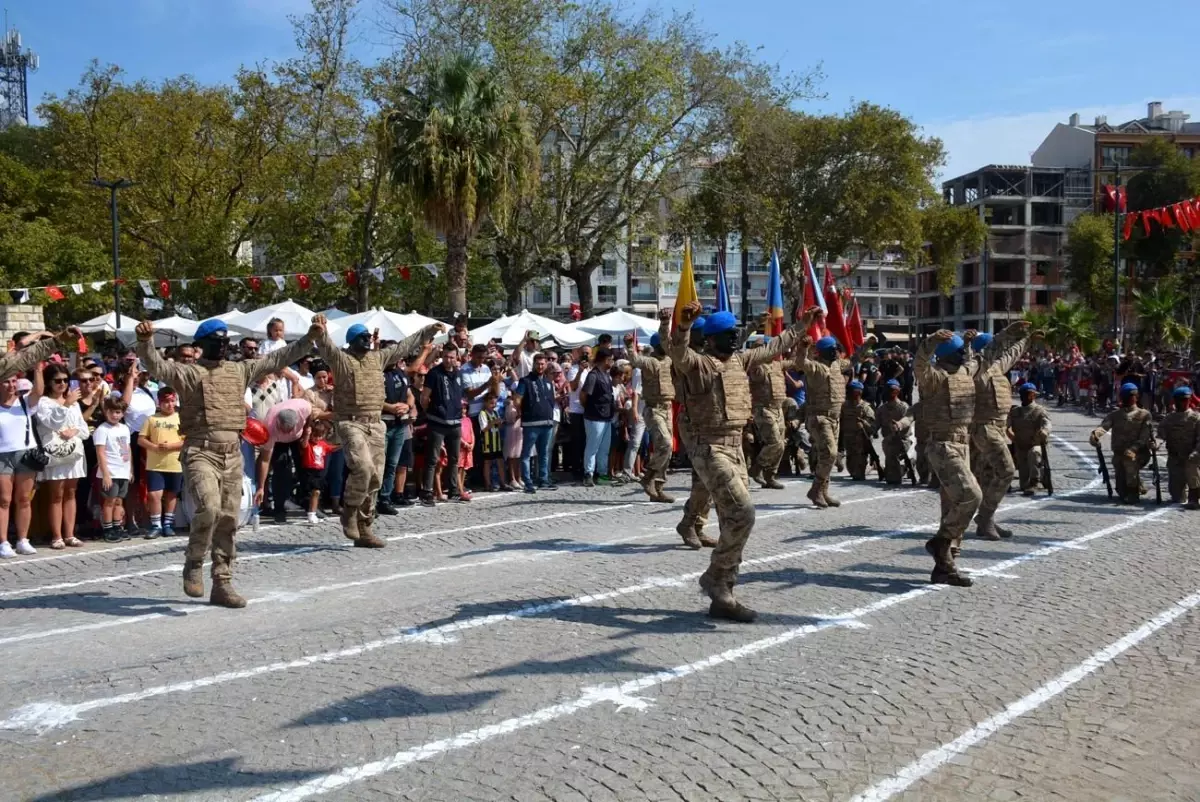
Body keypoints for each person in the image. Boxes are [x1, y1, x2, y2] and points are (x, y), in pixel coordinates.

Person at [136, 317, 320, 607]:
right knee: (208, 508)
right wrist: (146, 342)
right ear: (202, 345)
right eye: (217, 342)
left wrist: (310, 338)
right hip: (200, 451)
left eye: (226, 342)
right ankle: (194, 561)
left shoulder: (239, 370)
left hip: (232, 453)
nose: (223, 346)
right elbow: (158, 366)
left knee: (229, 519)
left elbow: (278, 357)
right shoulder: (188, 373)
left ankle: (222, 581)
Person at [668, 304, 801, 621]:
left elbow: (775, 346)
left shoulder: (741, 360)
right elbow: (678, 352)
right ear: (711, 339)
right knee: (743, 511)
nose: (733, 339)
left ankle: (722, 590)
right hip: (709, 446)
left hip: (736, 446)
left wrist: (802, 325)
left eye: (735, 334)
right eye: (727, 335)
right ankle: (716, 579)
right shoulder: (698, 365)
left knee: (735, 519)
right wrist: (683, 327)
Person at [313, 318, 444, 539]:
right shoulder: (342, 360)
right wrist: (319, 331)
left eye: (368, 336)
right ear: (351, 342)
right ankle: (350, 511)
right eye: (362, 337)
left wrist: (428, 331)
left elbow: (404, 346)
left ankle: (365, 528)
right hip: (351, 422)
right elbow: (326, 347)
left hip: (376, 424)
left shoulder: (378, 358)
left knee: (375, 479)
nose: (367, 340)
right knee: (363, 469)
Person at [915, 330, 980, 588]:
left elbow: (978, 360)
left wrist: (968, 343)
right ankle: (940, 542)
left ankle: (945, 567)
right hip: (943, 445)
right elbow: (919, 364)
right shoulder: (934, 377)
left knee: (952, 507)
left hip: (962, 444)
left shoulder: (963, 373)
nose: (963, 355)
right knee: (972, 496)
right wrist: (930, 342)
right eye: (958, 351)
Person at [793, 319, 875, 508]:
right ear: (823, 352)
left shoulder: (837, 365)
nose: (836, 352)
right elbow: (800, 362)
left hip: (835, 417)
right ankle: (815, 490)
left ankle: (823, 492)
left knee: (827, 455)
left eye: (836, 349)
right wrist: (803, 347)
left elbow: (854, 360)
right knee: (829, 453)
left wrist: (867, 345)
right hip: (819, 417)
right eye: (832, 349)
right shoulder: (815, 367)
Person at [967, 323, 1033, 541]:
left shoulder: (996, 368)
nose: (1001, 353)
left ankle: (987, 521)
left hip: (997, 429)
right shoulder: (976, 371)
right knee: (1006, 470)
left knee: (988, 477)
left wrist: (1027, 339)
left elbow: (1012, 354)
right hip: (984, 428)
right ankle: (984, 517)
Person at [35, 363, 88, 549]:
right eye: (58, 381)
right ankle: (56, 536)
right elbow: (51, 422)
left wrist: (73, 431)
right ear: (49, 382)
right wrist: (66, 404)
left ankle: (70, 534)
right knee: (56, 495)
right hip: (55, 454)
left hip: (73, 453)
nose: (62, 384)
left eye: (66, 380)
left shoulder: (73, 403)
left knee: (71, 493)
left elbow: (84, 429)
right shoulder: (44, 403)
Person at [624, 313, 675, 501]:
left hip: (667, 407)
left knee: (667, 449)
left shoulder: (669, 361)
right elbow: (635, 360)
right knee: (665, 443)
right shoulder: (649, 361)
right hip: (654, 409)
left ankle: (658, 487)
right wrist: (630, 347)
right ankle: (648, 478)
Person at [1089, 383, 1154, 505]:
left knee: (1129, 462)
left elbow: (1145, 436)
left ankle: (1134, 493)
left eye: (1131, 395)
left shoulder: (1144, 414)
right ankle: (1136, 485)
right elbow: (1104, 427)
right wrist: (1095, 434)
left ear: (1136, 396)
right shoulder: (1115, 415)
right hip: (1119, 454)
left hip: (1139, 453)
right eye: (1125, 396)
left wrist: (1134, 448)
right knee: (1121, 490)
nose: (1127, 398)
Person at [252, 397, 313, 523]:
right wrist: (261, 488)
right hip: (279, 442)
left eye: (289, 430)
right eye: (284, 430)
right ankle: (279, 509)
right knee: (281, 469)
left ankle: (310, 505)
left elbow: (311, 414)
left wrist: (307, 430)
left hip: (298, 438)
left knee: (306, 468)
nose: (286, 432)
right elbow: (265, 461)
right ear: (278, 423)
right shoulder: (269, 427)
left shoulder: (304, 408)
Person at [747, 335, 790, 490]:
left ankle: (770, 476)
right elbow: (753, 360)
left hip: (778, 409)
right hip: (763, 409)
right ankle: (757, 468)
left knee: (781, 445)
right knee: (775, 443)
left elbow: (796, 362)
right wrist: (757, 349)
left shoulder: (777, 365)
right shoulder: (757, 367)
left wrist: (803, 348)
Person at [140, 386, 185, 537]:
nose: (170, 404)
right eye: (166, 401)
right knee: (154, 495)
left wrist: (171, 446)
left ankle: (167, 523)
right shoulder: (152, 419)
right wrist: (153, 447)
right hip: (155, 464)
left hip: (174, 463)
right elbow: (141, 439)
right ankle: (155, 524)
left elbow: (187, 440)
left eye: (172, 401)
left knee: (172, 494)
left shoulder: (181, 418)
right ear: (159, 402)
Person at [513, 353, 557, 493]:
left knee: (544, 453)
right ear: (533, 364)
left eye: (543, 364)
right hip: (531, 423)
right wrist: (521, 412)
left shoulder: (549, 382)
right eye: (538, 364)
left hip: (547, 422)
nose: (540, 366)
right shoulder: (525, 381)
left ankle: (543, 480)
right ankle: (528, 482)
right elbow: (517, 399)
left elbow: (551, 400)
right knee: (526, 453)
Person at [93, 396, 133, 543]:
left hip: (123, 470)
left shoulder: (124, 428)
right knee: (109, 501)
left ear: (122, 413)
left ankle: (117, 526)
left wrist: (130, 470)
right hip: (110, 471)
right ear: (106, 412)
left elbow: (127, 450)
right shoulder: (102, 430)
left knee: (119, 500)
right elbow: (100, 453)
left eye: (118, 412)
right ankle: (108, 528)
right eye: (112, 412)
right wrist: (106, 474)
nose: (115, 415)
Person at [379, 358, 416, 514]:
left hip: (400, 425)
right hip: (383, 424)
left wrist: (407, 405)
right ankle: (373, 499)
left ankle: (385, 498)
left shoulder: (400, 373)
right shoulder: (378, 374)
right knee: (379, 464)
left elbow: (410, 394)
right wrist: (391, 407)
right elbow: (372, 400)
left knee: (392, 464)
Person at [1157, 385, 1200, 508]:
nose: (1183, 403)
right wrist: (1156, 443)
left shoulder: (1196, 418)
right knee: (1177, 497)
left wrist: (1195, 454)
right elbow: (1160, 435)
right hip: (1175, 459)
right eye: (1180, 400)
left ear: (1190, 400)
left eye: (1185, 399)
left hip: (1193, 458)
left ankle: (1194, 497)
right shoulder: (1169, 419)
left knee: (1192, 465)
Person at [1007, 383, 1052, 497]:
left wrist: (1044, 431)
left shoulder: (1039, 411)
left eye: (1027, 394)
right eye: (1022, 394)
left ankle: (1035, 481)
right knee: (1023, 485)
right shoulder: (1015, 411)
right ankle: (1041, 475)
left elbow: (1047, 424)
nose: (1024, 397)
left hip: (1036, 445)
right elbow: (1005, 426)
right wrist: (1010, 434)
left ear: (1033, 395)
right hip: (1021, 447)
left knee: (1034, 453)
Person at [580, 348, 616, 487]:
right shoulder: (593, 375)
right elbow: (583, 395)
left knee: (604, 448)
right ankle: (588, 474)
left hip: (607, 417)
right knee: (592, 447)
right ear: (605, 360)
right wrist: (589, 409)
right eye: (611, 359)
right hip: (594, 417)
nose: (612, 362)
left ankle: (601, 474)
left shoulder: (606, 375)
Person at [839, 379, 877, 481]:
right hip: (848, 439)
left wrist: (864, 424)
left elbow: (873, 428)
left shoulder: (866, 408)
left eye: (851, 391)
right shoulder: (844, 406)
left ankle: (871, 466)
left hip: (861, 440)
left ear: (858, 392)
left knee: (858, 476)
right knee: (851, 468)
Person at [299, 419, 336, 524]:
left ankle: (312, 513)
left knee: (317, 492)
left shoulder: (322, 444)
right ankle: (311, 513)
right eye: (315, 436)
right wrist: (307, 434)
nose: (317, 438)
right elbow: (304, 444)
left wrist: (344, 444)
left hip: (319, 471)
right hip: (309, 470)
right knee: (312, 492)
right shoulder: (308, 444)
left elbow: (332, 448)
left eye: (320, 436)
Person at [876, 379, 911, 485]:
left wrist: (898, 428)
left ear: (896, 392)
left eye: (889, 390)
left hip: (901, 440)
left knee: (893, 478)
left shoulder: (903, 407)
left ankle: (906, 465)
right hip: (887, 441)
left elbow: (907, 426)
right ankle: (898, 469)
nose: (886, 393)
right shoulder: (882, 409)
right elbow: (875, 425)